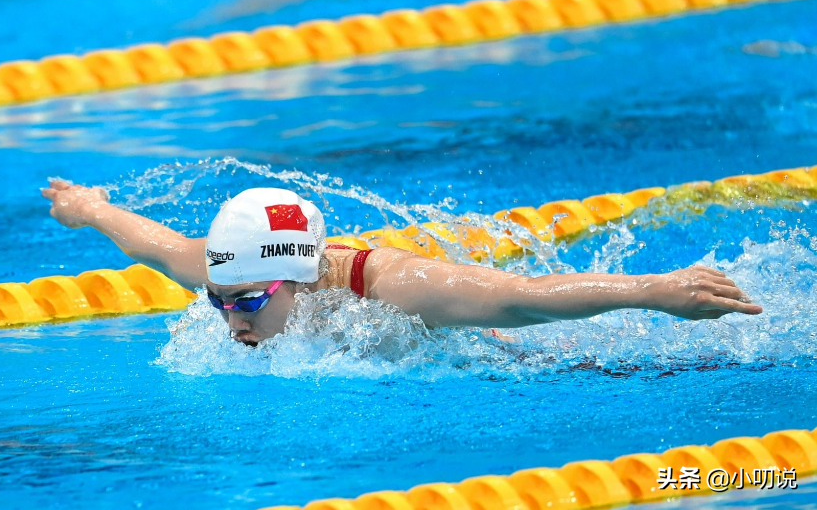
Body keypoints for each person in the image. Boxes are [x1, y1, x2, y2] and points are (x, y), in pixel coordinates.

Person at [41, 180, 762, 346]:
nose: (228, 316)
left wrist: (653, 288)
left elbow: (527, 297)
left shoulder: (399, 287)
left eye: (244, 302)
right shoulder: (228, 268)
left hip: (494, 357)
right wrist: (88, 206)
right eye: (215, 299)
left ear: (296, 276)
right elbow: (148, 240)